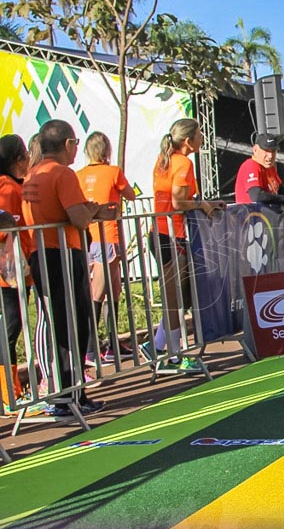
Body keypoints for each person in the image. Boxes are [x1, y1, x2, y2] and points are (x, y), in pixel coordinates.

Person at [21, 120, 116, 415]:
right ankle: (69, 395)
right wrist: (95, 209)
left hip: (42, 253)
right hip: (62, 254)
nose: (77, 148)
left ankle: (69, 393)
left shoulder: (33, 174)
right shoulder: (61, 173)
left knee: (60, 324)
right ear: (66, 144)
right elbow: (78, 218)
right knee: (71, 325)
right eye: (75, 143)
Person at [150, 118, 225, 373]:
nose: (203, 138)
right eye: (200, 134)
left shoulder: (165, 160)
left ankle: (161, 346)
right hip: (170, 235)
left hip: (164, 233)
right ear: (187, 140)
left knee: (178, 297)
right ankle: (171, 356)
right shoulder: (182, 162)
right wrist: (201, 205)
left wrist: (205, 202)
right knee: (175, 299)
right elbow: (178, 201)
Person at [76, 131, 136, 365]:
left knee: (114, 289)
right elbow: (130, 195)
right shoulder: (113, 172)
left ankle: (112, 343)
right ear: (106, 151)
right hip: (108, 236)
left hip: (90, 236)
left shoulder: (80, 175)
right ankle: (91, 349)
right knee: (98, 291)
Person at [0, 135, 32, 407]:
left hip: (15, 272)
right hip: (8, 275)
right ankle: (11, 394)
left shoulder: (14, 186)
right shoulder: (7, 189)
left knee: (11, 328)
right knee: (9, 329)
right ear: (17, 160)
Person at [234, 133, 284, 212]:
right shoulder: (251, 165)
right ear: (255, 150)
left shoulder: (269, 167)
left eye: (273, 151)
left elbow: (282, 190)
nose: (270, 156)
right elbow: (257, 196)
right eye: (266, 151)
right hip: (251, 219)